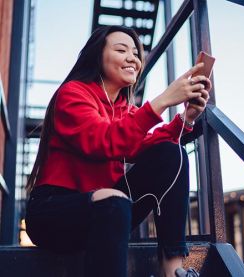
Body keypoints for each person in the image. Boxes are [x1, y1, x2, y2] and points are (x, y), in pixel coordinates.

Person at [25, 25, 211, 277]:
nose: (132, 58)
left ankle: (173, 270)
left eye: (135, 53)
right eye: (121, 50)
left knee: (171, 153)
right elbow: (104, 140)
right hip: (56, 213)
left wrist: (186, 120)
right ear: (97, 56)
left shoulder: (124, 110)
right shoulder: (72, 94)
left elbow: (147, 145)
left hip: (111, 212)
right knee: (113, 202)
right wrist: (163, 100)